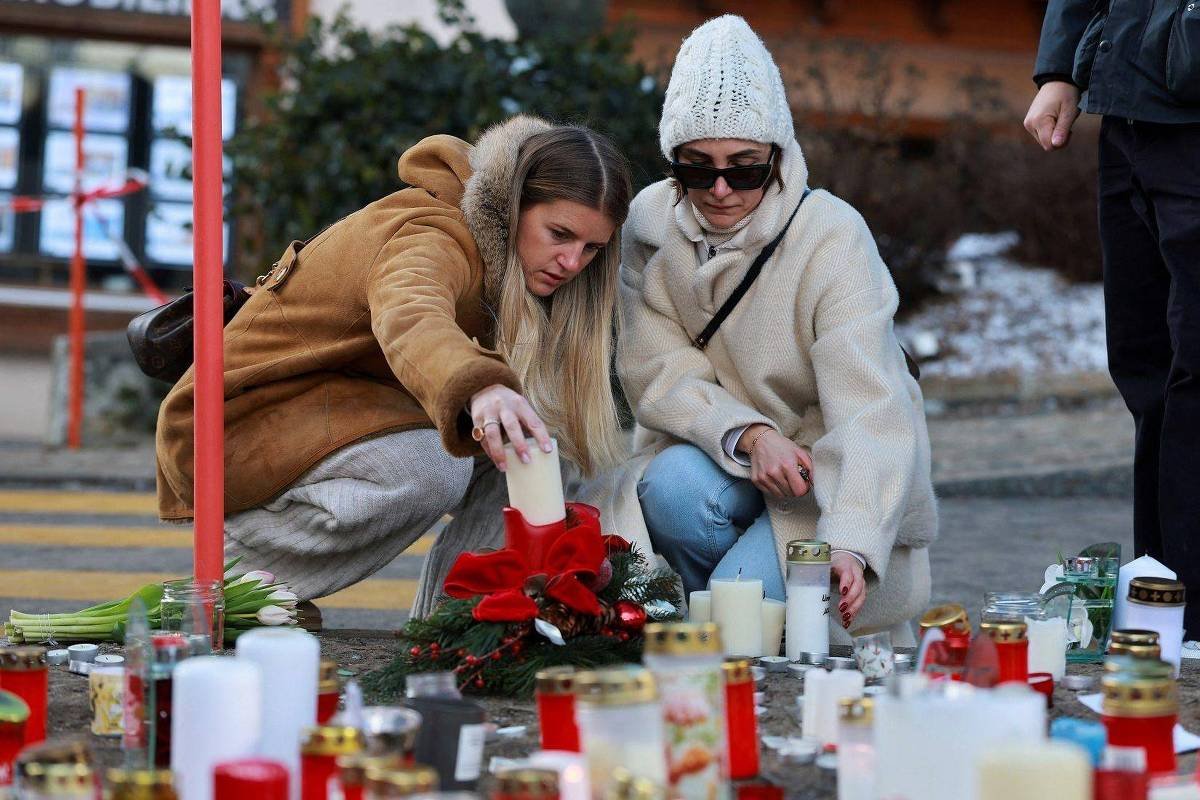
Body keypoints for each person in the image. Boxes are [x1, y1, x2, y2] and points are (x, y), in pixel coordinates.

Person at [155, 116, 632, 619]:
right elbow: (410, 316)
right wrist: (483, 388)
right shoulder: (432, 233)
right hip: (238, 425)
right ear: (514, 206)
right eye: (559, 234)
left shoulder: (523, 264)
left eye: (591, 248)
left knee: (540, 449)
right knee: (431, 466)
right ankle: (236, 585)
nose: (573, 262)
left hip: (344, 413)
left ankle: (460, 626)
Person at [584, 15, 938, 645]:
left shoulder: (831, 235)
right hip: (727, 460)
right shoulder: (650, 225)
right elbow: (653, 371)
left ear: (778, 156)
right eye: (698, 169)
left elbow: (872, 407)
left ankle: (748, 623)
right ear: (672, 162)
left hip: (824, 475)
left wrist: (853, 543)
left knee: (724, 623)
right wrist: (747, 433)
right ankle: (754, 626)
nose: (720, 189)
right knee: (668, 489)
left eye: (744, 169)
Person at [1024, 2, 1200, 635]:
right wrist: (1062, 69)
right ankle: (1163, 603)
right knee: (1144, 369)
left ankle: (1189, 617)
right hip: (1127, 108)